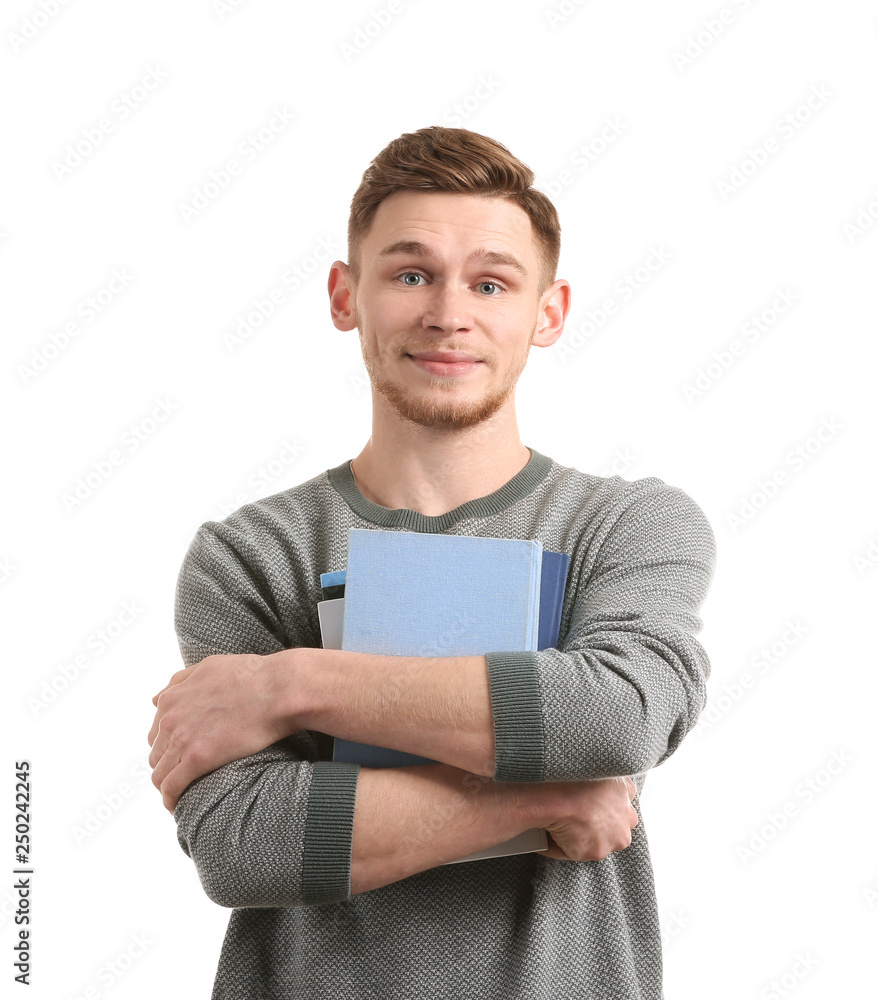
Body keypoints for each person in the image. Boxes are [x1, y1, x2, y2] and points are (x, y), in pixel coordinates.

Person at [147, 125, 716, 999]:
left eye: (491, 282)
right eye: (410, 273)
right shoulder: (251, 553)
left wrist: (285, 686)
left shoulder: (626, 524)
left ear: (548, 312)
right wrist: (542, 802)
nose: (449, 313)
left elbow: (620, 716)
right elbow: (243, 843)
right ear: (347, 296)